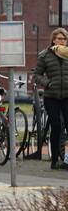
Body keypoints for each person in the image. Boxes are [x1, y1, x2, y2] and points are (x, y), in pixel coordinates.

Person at [33, 27, 68, 169]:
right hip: (51, 96)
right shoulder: (44, 55)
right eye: (59, 38)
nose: (62, 41)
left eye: (64, 39)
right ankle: (54, 161)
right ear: (53, 40)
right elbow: (37, 75)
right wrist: (48, 83)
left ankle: (66, 160)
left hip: (67, 95)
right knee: (56, 126)